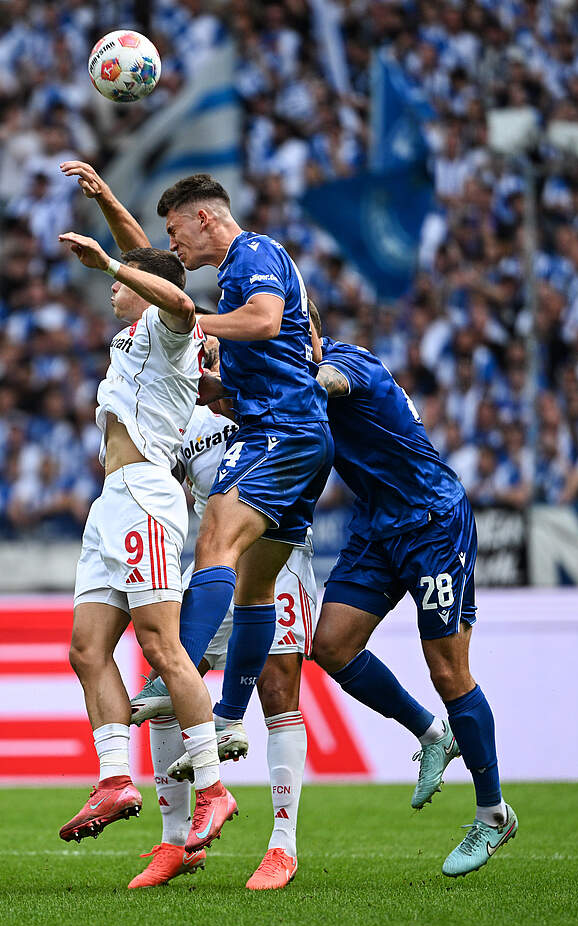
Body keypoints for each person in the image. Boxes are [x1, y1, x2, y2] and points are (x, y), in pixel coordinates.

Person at [53, 160, 236, 854]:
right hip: (111, 503)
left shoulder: (171, 330)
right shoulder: (135, 328)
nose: (112, 285)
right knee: (86, 649)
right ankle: (113, 779)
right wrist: (105, 198)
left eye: (121, 280)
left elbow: (178, 296)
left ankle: (212, 788)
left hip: (149, 496)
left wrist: (112, 263)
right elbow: (149, 259)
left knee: (160, 646)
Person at [128, 173, 332, 787]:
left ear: (205, 218)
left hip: (279, 432)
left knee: (214, 542)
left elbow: (265, 321)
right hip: (299, 433)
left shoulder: (253, 253)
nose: (174, 245)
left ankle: (176, 672)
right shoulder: (242, 268)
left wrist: (195, 323)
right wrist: (213, 387)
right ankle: (229, 715)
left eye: (175, 231)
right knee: (256, 585)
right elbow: (274, 351)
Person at [306, 307, 517, 877]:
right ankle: (430, 734)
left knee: (449, 672)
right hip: (377, 526)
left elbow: (331, 382)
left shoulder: (350, 363)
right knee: (331, 645)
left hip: (431, 522)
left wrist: (292, 378)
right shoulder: (295, 373)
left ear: (308, 330)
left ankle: (493, 814)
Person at [132, 355, 317, 891]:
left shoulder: (277, 391)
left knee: (278, 691)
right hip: (213, 566)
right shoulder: (183, 412)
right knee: (170, 684)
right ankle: (175, 843)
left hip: (278, 560)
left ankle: (282, 847)